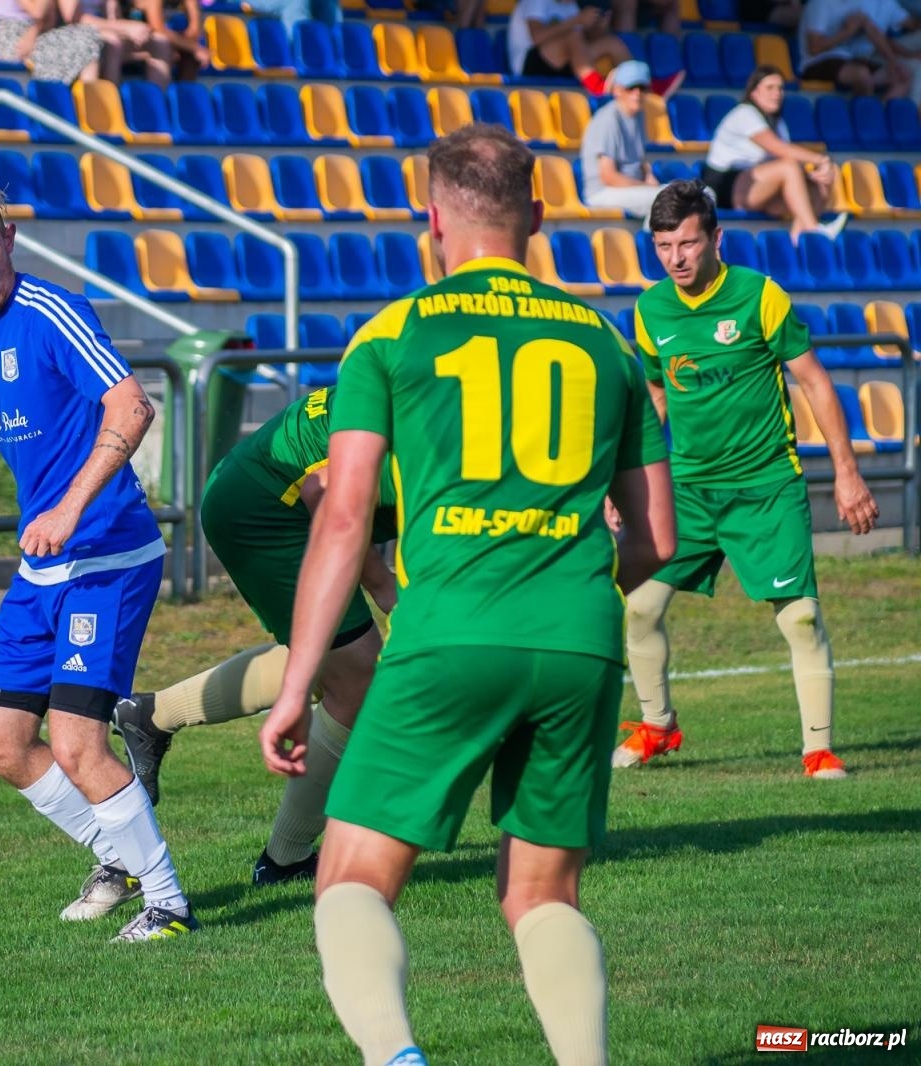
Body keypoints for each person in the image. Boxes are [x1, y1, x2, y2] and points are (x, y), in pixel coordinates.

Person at [259, 124, 677, 1066]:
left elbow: (344, 517)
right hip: (579, 639)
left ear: (433, 221)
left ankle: (396, 1056)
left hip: (448, 630)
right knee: (542, 896)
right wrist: (565, 588)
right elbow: (661, 538)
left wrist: (294, 688)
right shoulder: (606, 342)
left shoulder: (392, 334)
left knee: (352, 878)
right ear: (539, 217)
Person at [0, 173, 197, 943]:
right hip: (44, 570)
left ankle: (168, 904)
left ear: (9, 237)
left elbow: (132, 405)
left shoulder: (52, 313)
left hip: (108, 555)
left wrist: (69, 507)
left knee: (74, 742)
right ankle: (119, 856)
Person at [616, 180, 878, 781]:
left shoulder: (760, 296)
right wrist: (624, 486)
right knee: (640, 608)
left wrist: (847, 474)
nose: (675, 258)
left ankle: (818, 752)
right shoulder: (650, 310)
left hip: (766, 485)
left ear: (716, 238)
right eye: (662, 246)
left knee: (800, 618)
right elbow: (655, 398)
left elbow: (815, 381)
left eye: (687, 243)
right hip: (689, 490)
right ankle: (658, 726)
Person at [112, 385, 398, 885]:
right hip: (267, 512)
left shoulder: (438, 389)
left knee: (332, 665)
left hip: (269, 495)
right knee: (356, 682)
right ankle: (286, 859)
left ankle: (151, 715)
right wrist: (386, 589)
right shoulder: (429, 408)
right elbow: (328, 496)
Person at [702, 66, 848, 243]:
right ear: (754, 92)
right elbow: (779, 149)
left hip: (759, 186)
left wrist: (816, 173)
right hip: (727, 187)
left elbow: (786, 158)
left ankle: (798, 240)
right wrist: (821, 159)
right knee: (789, 167)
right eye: (770, 88)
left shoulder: (778, 123)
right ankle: (814, 231)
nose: (777, 93)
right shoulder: (744, 113)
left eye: (780, 88)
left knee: (816, 184)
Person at [507, 0, 683, 96]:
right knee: (573, 36)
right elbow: (537, 37)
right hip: (529, 63)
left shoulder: (571, 6)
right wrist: (577, 21)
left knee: (611, 42)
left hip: (563, 62)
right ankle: (597, 88)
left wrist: (598, 29)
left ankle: (644, 86)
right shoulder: (536, 1)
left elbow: (580, 44)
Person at [580, 60, 666, 220]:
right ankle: (652, 236)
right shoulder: (608, 119)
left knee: (697, 195)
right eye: (630, 87)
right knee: (665, 201)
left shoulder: (638, 115)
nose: (637, 93)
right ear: (617, 90)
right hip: (603, 192)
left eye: (642, 88)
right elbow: (608, 176)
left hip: (631, 188)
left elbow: (640, 159)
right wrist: (646, 186)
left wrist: (649, 175)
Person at [798, 0, 914, 100]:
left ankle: (878, 115)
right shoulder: (820, 3)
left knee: (902, 76)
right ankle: (865, 115)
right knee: (861, 74)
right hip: (814, 62)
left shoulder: (855, 3)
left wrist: (893, 62)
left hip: (845, 59)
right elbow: (814, 48)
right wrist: (846, 32)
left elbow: (874, 32)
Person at [0, 0, 104, 84]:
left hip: (37, 33)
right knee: (88, 38)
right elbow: (37, 12)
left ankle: (88, 103)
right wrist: (35, 30)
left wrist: (35, 29)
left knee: (90, 37)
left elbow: (50, 19)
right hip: (13, 36)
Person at [75, 0, 172, 87]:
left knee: (160, 43)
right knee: (114, 43)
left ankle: (157, 98)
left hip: (106, 30)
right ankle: (109, 98)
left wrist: (132, 30)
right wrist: (125, 27)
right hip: (80, 33)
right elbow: (75, 19)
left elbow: (113, 19)